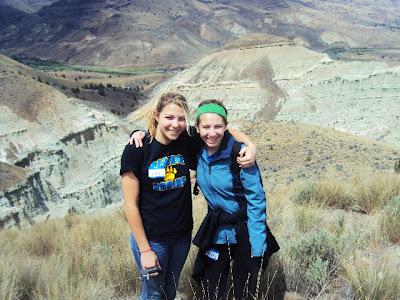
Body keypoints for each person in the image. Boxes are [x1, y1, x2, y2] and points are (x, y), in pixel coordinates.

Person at [120, 93, 257, 300]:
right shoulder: (137, 149)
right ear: (156, 116)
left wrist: (251, 146)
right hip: (152, 239)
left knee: (170, 290)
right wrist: (145, 250)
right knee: (154, 294)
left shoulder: (186, 141)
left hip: (181, 236)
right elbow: (130, 205)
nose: (175, 124)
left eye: (181, 119)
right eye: (169, 118)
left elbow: (225, 130)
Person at [192, 99, 275, 300]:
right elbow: (164, 132)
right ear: (197, 128)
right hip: (217, 229)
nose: (212, 133)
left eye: (218, 126)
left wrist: (258, 246)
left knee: (244, 291)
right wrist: (137, 134)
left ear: (226, 126)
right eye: (206, 127)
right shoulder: (196, 148)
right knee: (211, 288)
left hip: (244, 230)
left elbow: (256, 200)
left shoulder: (240, 154)